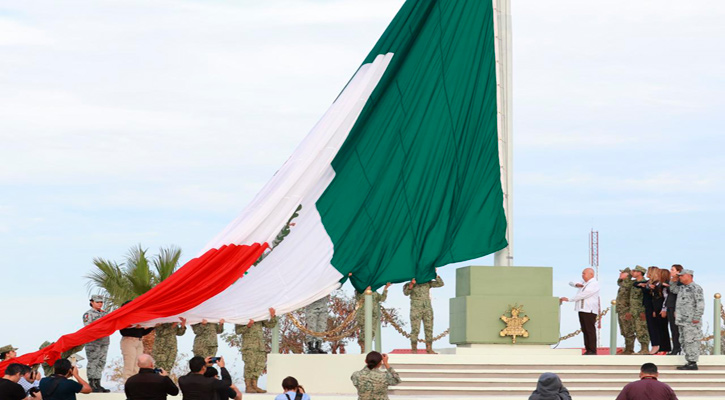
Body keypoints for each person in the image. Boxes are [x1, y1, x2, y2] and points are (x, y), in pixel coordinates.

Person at [235, 307, 277, 393]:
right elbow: (238, 331)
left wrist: (273, 316)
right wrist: (248, 326)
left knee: (259, 365)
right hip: (249, 346)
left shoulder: (259, 315)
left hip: (260, 346)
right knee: (249, 366)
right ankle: (248, 386)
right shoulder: (241, 316)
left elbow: (270, 325)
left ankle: (255, 385)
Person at [669, 269, 704, 370]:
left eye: (681, 276)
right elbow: (673, 289)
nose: (680, 277)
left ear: (689, 276)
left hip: (691, 320)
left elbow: (700, 304)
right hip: (682, 320)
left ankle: (693, 362)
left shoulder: (696, 288)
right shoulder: (682, 288)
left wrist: (697, 317)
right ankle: (689, 361)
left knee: (691, 340)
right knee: (684, 340)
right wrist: (673, 279)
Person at [560, 267, 600, 355]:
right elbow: (571, 282)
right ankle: (588, 349)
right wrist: (576, 284)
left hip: (589, 310)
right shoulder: (584, 283)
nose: (582, 275)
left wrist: (570, 299)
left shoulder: (594, 284)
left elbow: (584, 294)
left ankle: (592, 350)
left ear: (591, 274)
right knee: (585, 330)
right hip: (582, 309)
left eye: (584, 273)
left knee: (589, 330)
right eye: (582, 273)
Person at [403, 272, 444, 353]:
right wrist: (411, 284)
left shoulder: (427, 283)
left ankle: (429, 348)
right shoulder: (409, 284)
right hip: (416, 308)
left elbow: (440, 284)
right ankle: (414, 349)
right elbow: (406, 293)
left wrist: (435, 274)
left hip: (427, 308)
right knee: (415, 329)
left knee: (429, 328)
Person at [82, 295, 110, 392]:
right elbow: (88, 327)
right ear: (92, 302)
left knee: (101, 362)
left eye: (101, 302)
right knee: (93, 362)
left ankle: (98, 383)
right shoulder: (88, 314)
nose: (100, 304)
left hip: (104, 341)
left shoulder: (106, 313)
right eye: (97, 302)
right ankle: (91, 383)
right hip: (93, 342)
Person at [355, 283, 391, 353]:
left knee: (372, 332)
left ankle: (367, 349)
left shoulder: (375, 292)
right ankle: (363, 349)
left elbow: (382, 298)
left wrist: (385, 288)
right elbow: (359, 298)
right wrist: (366, 291)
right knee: (364, 332)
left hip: (373, 315)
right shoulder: (360, 290)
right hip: (364, 315)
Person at [628, 266, 650, 354]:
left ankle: (645, 348)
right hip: (633, 310)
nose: (632, 272)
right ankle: (642, 348)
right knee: (636, 329)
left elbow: (645, 298)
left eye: (635, 271)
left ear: (640, 272)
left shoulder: (645, 283)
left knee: (642, 329)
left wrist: (643, 311)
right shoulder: (634, 283)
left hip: (641, 310)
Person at [663, 264, 683, 355]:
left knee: (677, 329)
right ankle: (675, 347)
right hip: (670, 305)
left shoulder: (680, 282)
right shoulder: (670, 281)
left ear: (678, 271)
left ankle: (677, 348)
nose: (670, 271)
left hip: (677, 306)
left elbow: (676, 291)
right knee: (672, 328)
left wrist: (670, 284)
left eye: (673, 270)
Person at [650, 268, 672, 354]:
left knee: (663, 329)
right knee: (659, 328)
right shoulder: (659, 284)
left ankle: (665, 348)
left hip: (663, 308)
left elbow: (666, 297)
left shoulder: (665, 285)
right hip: (658, 308)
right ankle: (661, 347)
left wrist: (664, 309)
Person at [616, 268, 636, 354]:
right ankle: (628, 348)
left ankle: (629, 349)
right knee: (624, 330)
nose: (620, 273)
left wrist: (630, 311)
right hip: (621, 310)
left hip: (627, 310)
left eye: (623, 272)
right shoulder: (622, 284)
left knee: (628, 330)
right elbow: (619, 282)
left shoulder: (630, 284)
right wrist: (621, 277)